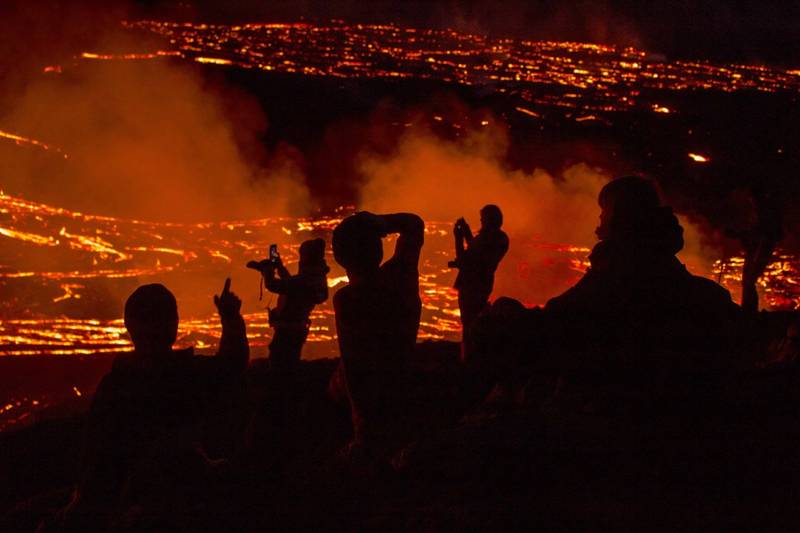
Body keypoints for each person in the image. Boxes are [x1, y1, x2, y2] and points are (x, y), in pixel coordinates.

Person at [544, 176, 743, 412]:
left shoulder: (616, 265)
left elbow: (564, 311)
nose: (599, 218)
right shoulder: (696, 286)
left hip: (620, 406)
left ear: (620, 214)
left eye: (604, 210)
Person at [64, 279, 248, 528]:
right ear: (174, 325)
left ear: (129, 327)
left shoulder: (116, 385)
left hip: (133, 499)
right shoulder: (189, 374)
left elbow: (96, 457)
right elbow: (232, 364)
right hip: (185, 491)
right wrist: (230, 318)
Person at [331, 211, 424, 452]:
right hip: (403, 387)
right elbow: (414, 224)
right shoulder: (400, 276)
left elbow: (355, 368)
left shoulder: (348, 299)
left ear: (341, 257)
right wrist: (378, 221)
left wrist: (361, 429)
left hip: (374, 413)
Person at [248, 238, 330, 370]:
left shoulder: (306, 281)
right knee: (286, 362)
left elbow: (275, 285)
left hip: (288, 332)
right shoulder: (314, 279)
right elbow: (291, 284)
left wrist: (267, 271)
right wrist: (278, 266)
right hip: (294, 330)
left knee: (281, 365)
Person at [448, 205, 509, 345]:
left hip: (471, 284)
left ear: (489, 220)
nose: (481, 221)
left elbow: (466, 258)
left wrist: (458, 238)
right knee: (475, 320)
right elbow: (476, 249)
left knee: (469, 323)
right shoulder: (500, 238)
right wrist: (467, 232)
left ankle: (469, 356)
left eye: (483, 219)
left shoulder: (488, 238)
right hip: (484, 283)